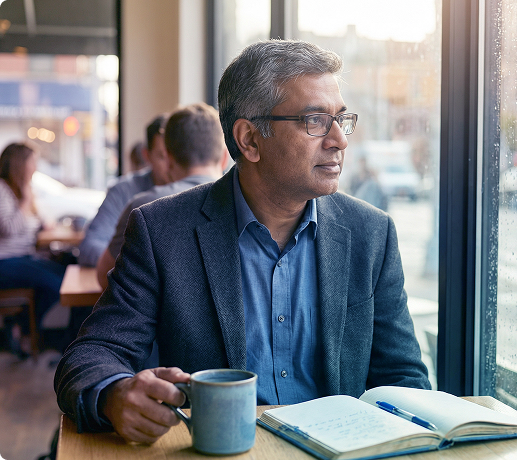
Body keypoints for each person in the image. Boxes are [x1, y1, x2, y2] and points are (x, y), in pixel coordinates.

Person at [54, 39, 430, 444]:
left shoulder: (371, 233)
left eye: (341, 119)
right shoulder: (161, 231)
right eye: (315, 121)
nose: (339, 139)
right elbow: (89, 356)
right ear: (249, 139)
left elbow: (403, 378)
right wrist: (114, 394)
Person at [95, 102, 229, 289]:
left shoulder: (143, 208)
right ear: (224, 158)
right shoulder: (246, 206)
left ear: (169, 159)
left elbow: (105, 277)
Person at [0, 142, 66, 357]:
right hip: (6, 261)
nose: (35, 168)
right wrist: (26, 201)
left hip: (22, 257)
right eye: (32, 162)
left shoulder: (19, 191)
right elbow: (9, 228)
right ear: (20, 165)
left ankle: (22, 325)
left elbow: (32, 223)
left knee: (65, 272)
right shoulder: (2, 189)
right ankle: (24, 327)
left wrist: (41, 223)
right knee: (59, 284)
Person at [76, 115, 170, 267]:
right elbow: (90, 246)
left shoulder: (194, 193)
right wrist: (135, 268)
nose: (169, 165)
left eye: (175, 156)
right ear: (147, 155)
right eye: (162, 156)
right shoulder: (124, 191)